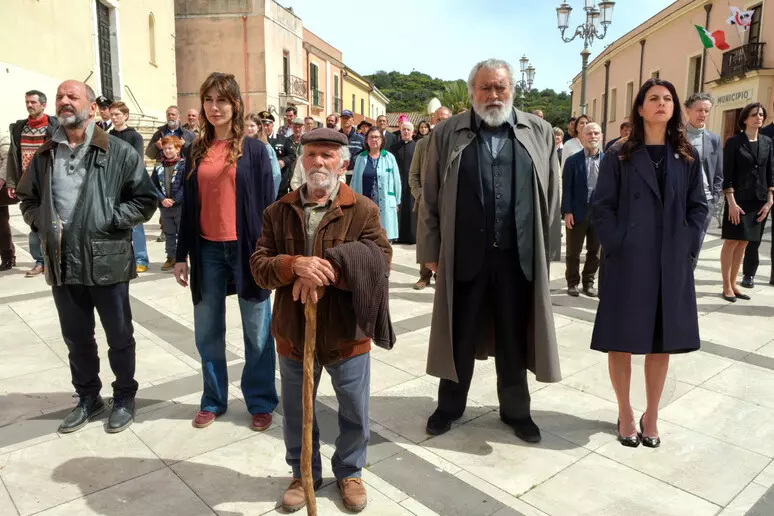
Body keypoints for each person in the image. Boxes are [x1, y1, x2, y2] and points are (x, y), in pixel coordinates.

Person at [250, 128, 393, 514]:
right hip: (294, 332)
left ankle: (350, 471)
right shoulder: (278, 211)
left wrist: (329, 269)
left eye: (327, 155)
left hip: (347, 332)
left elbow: (380, 259)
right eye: (311, 153)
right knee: (298, 411)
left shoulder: (363, 209)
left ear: (342, 164)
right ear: (302, 159)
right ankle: (303, 474)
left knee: (354, 409)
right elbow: (259, 266)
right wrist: (294, 265)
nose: (318, 161)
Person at [418, 58, 561, 442]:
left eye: (500, 87)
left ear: (512, 89)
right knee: (459, 336)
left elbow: (552, 193)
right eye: (485, 88)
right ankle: (449, 407)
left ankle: (517, 412)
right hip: (464, 256)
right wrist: (429, 249)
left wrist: (548, 251)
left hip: (518, 257)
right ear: (473, 92)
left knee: (514, 337)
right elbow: (429, 195)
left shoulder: (539, 131)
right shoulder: (447, 132)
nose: (493, 94)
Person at [16, 80, 158, 433]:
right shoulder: (46, 154)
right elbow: (28, 198)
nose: (64, 101)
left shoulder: (119, 151)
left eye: (72, 96)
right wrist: (41, 221)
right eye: (60, 96)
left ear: (92, 108)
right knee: (76, 338)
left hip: (106, 260)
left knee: (119, 336)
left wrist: (109, 218)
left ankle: (124, 396)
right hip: (62, 262)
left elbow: (145, 200)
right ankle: (88, 397)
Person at [591, 78, 708, 448]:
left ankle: (652, 415)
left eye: (667, 98)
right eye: (653, 98)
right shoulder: (618, 154)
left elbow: (699, 207)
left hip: (670, 263)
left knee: (661, 342)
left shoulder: (686, 155)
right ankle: (625, 412)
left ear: (674, 108)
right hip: (628, 263)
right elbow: (602, 207)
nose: (661, 103)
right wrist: (618, 243)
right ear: (640, 108)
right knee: (621, 341)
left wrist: (687, 246)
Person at [173, 72, 278, 432]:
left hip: (247, 251)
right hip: (207, 251)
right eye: (208, 100)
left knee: (257, 330)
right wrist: (180, 255)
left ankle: (260, 400)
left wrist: (269, 255)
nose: (214, 107)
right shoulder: (194, 150)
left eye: (222, 100)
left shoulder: (255, 151)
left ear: (236, 105)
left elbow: (268, 206)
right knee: (207, 330)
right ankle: (213, 399)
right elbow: (188, 207)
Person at [5, 89, 60, 277]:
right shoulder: (19, 128)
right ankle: (40, 261)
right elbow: (12, 157)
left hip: (50, 182)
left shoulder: (55, 127)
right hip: (28, 185)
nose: (29, 105)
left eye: (33, 102)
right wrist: (12, 182)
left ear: (43, 105)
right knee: (34, 223)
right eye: (27, 102)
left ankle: (55, 258)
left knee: (54, 222)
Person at [721, 103, 774, 296]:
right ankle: (726, 286)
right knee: (732, 241)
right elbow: (727, 175)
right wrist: (731, 203)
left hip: (758, 200)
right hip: (737, 200)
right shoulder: (734, 142)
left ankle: (734, 284)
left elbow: (771, 172)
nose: (758, 117)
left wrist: (770, 199)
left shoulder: (767, 142)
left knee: (744, 242)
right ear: (745, 119)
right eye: (754, 114)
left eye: (761, 114)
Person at [409, 106, 452, 289]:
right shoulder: (422, 144)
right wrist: (420, 196)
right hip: (426, 202)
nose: (442, 123)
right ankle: (424, 276)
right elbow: (413, 175)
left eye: (446, 119)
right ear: (433, 120)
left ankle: (441, 275)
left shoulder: (457, 144)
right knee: (426, 239)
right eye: (439, 119)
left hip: (449, 203)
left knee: (446, 240)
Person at [561, 122, 602, 297]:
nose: (593, 136)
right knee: (573, 252)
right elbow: (567, 189)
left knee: (595, 252)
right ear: (582, 137)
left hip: (599, 214)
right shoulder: (572, 161)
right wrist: (567, 212)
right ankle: (572, 283)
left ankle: (588, 283)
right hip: (577, 212)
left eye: (596, 133)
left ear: (601, 136)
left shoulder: (608, 161)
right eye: (589, 133)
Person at [108, 101, 150, 273]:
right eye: (112, 114)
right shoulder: (108, 135)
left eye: (117, 114)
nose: (114, 117)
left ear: (125, 116)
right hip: (112, 184)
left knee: (135, 224)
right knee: (114, 222)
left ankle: (141, 259)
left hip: (130, 184)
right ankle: (119, 258)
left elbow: (136, 161)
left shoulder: (135, 137)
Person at [684, 93, 723, 266]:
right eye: (699, 110)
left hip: (704, 201)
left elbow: (718, 173)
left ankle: (688, 278)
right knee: (676, 243)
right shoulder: (675, 137)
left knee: (695, 244)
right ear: (688, 111)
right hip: (679, 199)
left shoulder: (714, 139)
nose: (703, 114)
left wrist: (713, 198)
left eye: (706, 111)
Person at [351, 127, 401, 241]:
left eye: (377, 137)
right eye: (371, 137)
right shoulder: (360, 158)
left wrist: (396, 201)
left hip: (385, 202)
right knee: (365, 235)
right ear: (366, 140)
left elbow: (396, 180)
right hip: (365, 203)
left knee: (384, 237)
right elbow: (354, 181)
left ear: (382, 140)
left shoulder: (389, 157)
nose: (374, 140)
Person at [151, 136, 186, 271]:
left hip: (180, 206)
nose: (167, 151)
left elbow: (185, 185)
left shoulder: (184, 165)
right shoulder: (159, 166)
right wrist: (162, 199)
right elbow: (153, 185)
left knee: (182, 233)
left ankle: (182, 258)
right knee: (169, 233)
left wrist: (175, 199)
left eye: (170, 148)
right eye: (164, 149)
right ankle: (171, 257)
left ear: (178, 149)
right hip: (165, 206)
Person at [390, 121, 417, 244]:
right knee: (398, 209)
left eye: (408, 130)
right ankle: (398, 235)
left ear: (412, 132)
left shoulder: (417, 147)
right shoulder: (394, 148)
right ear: (400, 132)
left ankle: (412, 236)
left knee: (411, 209)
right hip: (398, 182)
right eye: (404, 129)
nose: (406, 132)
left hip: (412, 183)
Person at [245, 112, 282, 198]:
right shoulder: (240, 146)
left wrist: (270, 196)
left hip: (260, 194)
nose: (249, 128)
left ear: (258, 127)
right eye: (246, 126)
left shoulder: (266, 147)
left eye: (252, 126)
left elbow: (276, 174)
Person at [262, 110, 297, 198]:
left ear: (272, 125)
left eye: (267, 125)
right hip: (261, 182)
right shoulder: (254, 142)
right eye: (263, 125)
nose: (265, 128)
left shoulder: (283, 140)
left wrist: (283, 162)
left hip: (280, 183)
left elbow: (292, 156)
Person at [0, 129, 14, 271]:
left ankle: (7, 257)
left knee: (1, 223)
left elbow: (7, 158)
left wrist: (2, 178)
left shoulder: (1, 136)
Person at [339, 110, 365, 180]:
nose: (345, 120)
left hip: (355, 175)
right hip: (339, 175)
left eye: (347, 118)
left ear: (353, 120)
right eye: (343, 118)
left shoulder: (361, 139)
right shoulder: (336, 137)